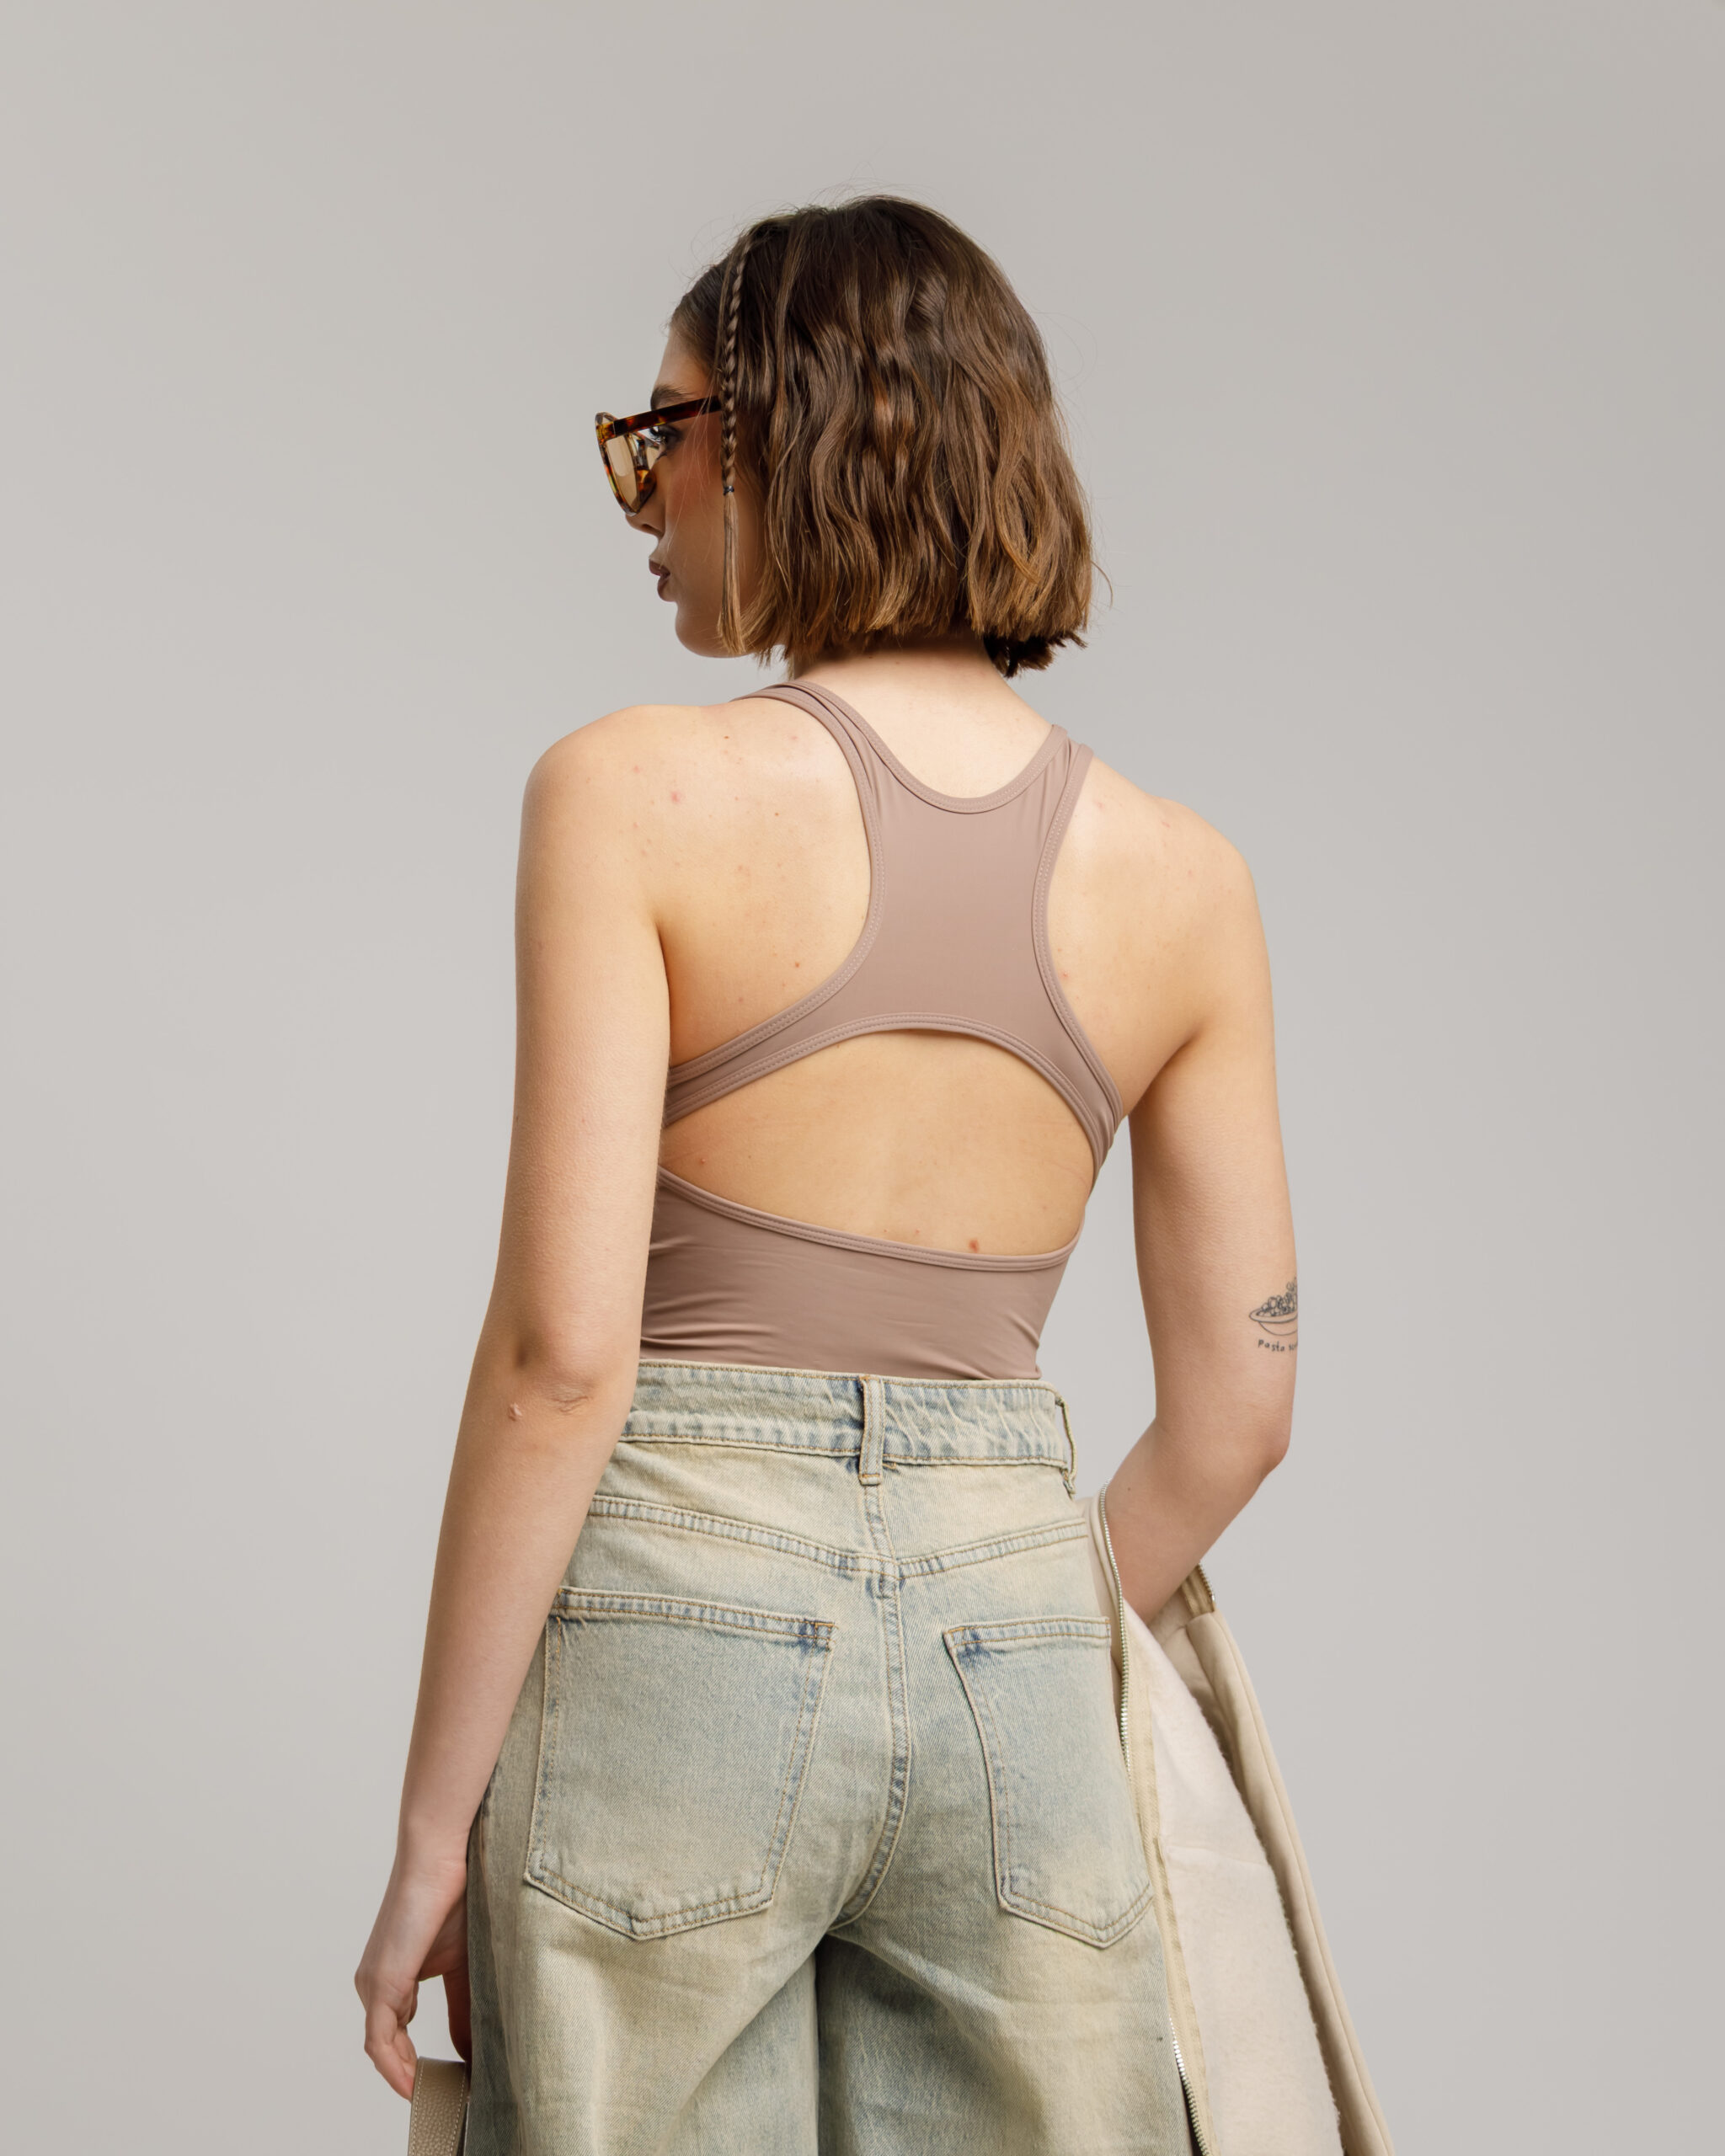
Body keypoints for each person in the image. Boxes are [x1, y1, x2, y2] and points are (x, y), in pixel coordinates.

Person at [356, 195, 1298, 2155]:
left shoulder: (631, 792)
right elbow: (1238, 1409)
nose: (642, 498)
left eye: (665, 433)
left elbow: (561, 1358)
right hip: (1014, 1625)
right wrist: (998, 1604)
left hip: (674, 1590)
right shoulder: (1186, 879)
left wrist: (434, 1825)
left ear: (792, 432)